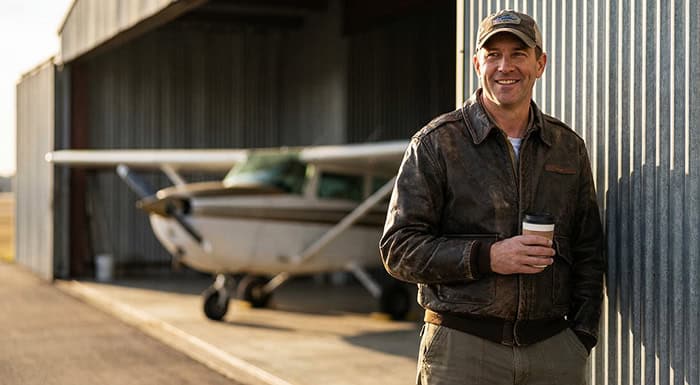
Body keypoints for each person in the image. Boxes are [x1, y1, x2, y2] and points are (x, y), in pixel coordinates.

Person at [380, 9, 605, 385]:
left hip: (552, 351)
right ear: (476, 63)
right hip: (463, 349)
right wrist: (487, 257)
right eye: (493, 54)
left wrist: (581, 336)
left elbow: (589, 249)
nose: (505, 66)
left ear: (540, 63)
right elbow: (398, 249)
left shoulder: (567, 147)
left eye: (518, 53)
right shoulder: (437, 143)